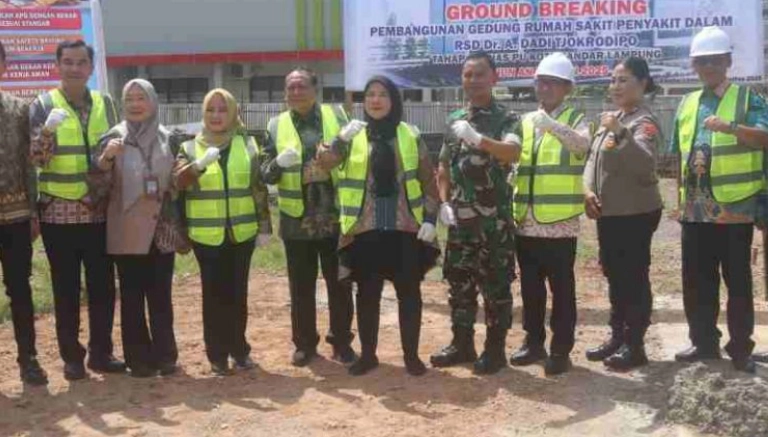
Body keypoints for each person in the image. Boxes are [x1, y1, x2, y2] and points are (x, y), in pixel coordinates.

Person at [316, 76, 440, 376]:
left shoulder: (410, 134)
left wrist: (430, 219)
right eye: (370, 95)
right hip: (365, 229)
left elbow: (428, 180)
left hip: (404, 229)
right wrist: (340, 140)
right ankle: (368, 356)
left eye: (382, 94)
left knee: (409, 295)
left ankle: (411, 356)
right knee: (367, 295)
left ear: (393, 100)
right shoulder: (352, 135)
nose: (375, 100)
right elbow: (324, 163)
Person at [669, 26, 768, 373]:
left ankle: (741, 348)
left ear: (727, 61)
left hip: (734, 207)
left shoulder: (747, 98)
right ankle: (703, 342)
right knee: (697, 281)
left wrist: (732, 128)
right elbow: (678, 155)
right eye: (701, 62)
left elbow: (764, 138)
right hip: (694, 209)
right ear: (694, 65)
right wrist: (679, 201)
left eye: (714, 60)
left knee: (737, 281)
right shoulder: (687, 102)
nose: (708, 67)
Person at [29, 39, 124, 380]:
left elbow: (119, 148)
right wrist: (48, 132)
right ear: (58, 65)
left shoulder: (106, 103)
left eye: (80, 62)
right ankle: (72, 357)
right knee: (65, 288)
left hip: (99, 210)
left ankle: (101, 353)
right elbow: (37, 160)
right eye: (67, 62)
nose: (74, 68)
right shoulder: (43, 104)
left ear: (91, 67)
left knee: (102, 286)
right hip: (58, 212)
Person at [429, 52, 520, 375]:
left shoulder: (507, 117)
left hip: (492, 223)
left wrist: (480, 140)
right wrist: (444, 203)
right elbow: (443, 166)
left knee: (495, 287)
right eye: (467, 75)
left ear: (494, 78)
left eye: (480, 74)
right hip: (460, 223)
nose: (473, 80)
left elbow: (513, 151)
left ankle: (494, 350)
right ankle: (462, 344)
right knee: (459, 285)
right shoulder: (454, 119)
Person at [260, 68, 356, 367]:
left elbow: (355, 156)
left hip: (335, 215)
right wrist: (277, 163)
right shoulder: (275, 126)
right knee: (300, 287)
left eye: (301, 86)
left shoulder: (337, 116)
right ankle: (304, 344)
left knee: (340, 283)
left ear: (316, 89)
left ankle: (341, 342)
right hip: (295, 219)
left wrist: (341, 149)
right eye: (290, 88)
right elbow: (264, 172)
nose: (295, 92)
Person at [175, 88, 271, 376]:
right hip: (206, 234)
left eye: (222, 110)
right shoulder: (189, 147)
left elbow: (258, 188)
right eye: (210, 110)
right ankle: (216, 354)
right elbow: (178, 182)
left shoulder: (250, 144)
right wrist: (197, 167)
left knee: (237, 293)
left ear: (233, 113)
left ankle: (239, 351)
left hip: (242, 232)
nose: (216, 116)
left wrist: (264, 226)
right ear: (203, 114)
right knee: (213, 294)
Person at [508, 52, 591, 375]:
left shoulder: (576, 118)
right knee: (530, 287)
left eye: (553, 83)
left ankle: (561, 348)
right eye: (541, 82)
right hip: (525, 220)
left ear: (567, 88)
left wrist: (553, 126)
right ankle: (533, 341)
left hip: (559, 223)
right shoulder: (526, 121)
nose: (545, 89)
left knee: (562, 289)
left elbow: (582, 147)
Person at [96, 79, 184, 378]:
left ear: (152, 101)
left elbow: (177, 182)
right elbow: (96, 187)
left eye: (140, 98)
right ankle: (139, 359)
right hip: (127, 229)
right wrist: (107, 159)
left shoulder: (168, 138)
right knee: (132, 298)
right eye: (129, 98)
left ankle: (166, 356)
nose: (134, 104)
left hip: (161, 230)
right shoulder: (112, 137)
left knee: (161, 296)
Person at [582, 57, 664, 371]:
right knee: (614, 274)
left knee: (633, 277)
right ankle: (617, 336)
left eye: (623, 80)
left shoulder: (643, 122)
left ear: (643, 83)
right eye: (613, 80)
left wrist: (620, 132)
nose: (615, 86)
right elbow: (592, 159)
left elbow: (645, 163)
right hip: (610, 214)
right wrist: (587, 191)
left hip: (636, 213)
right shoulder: (613, 118)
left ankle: (635, 344)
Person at [0, 41, 48, 385]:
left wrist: (33, 210)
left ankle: (28, 359)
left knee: (20, 288)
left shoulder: (20, 110)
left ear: (4, 65)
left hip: (15, 215)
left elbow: (30, 165)